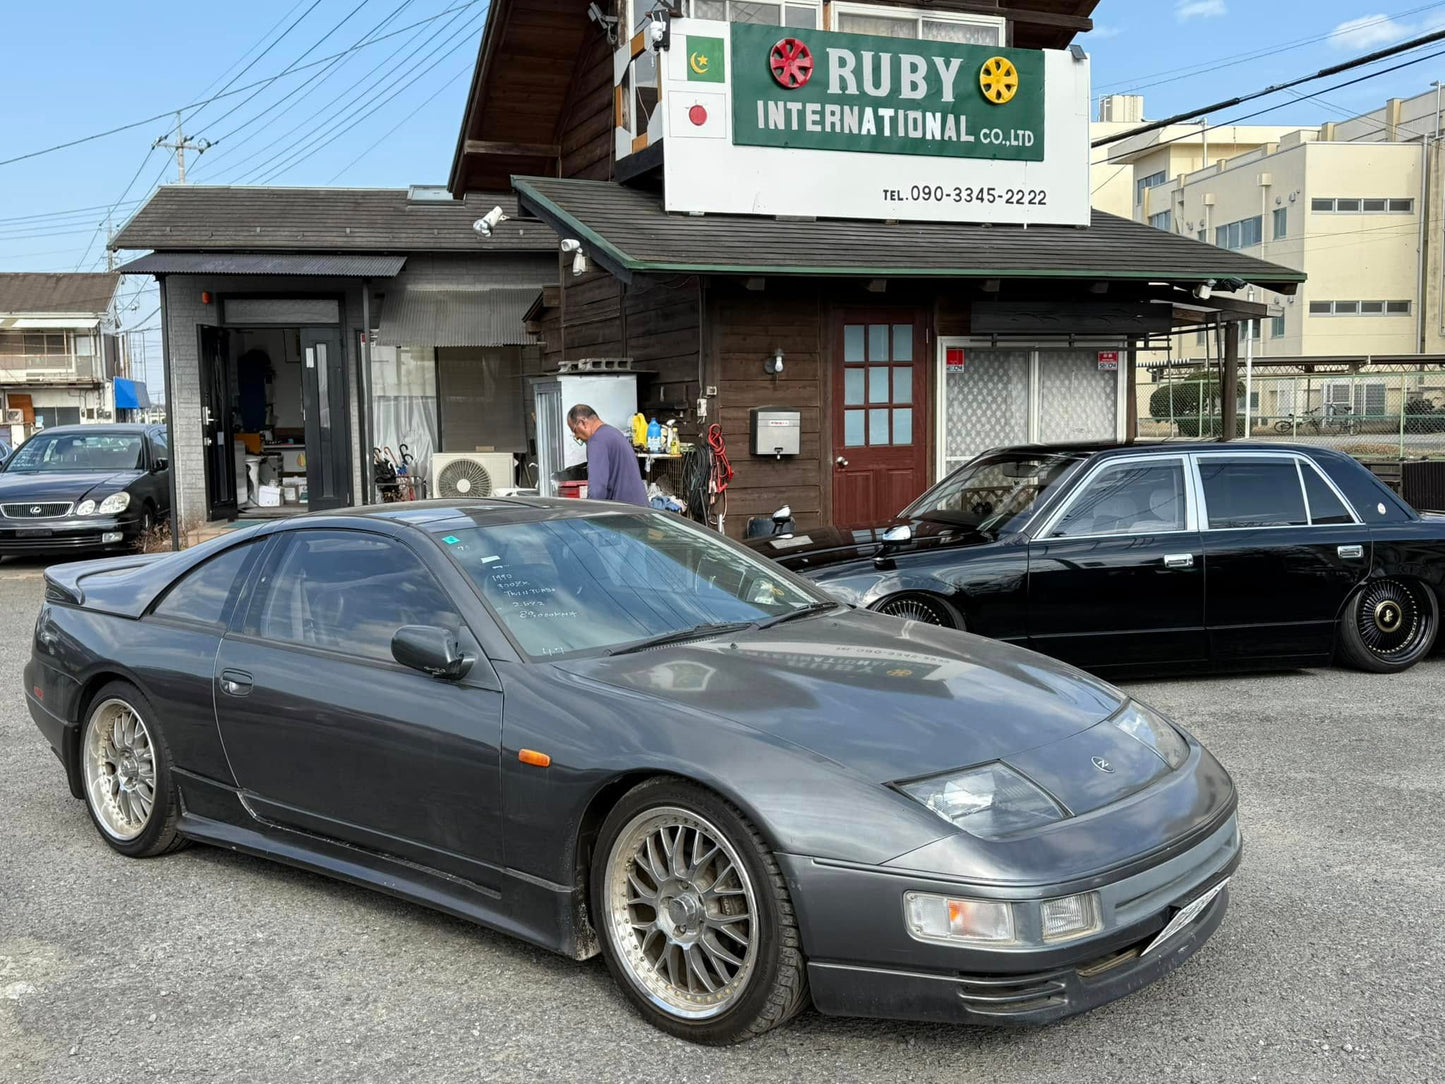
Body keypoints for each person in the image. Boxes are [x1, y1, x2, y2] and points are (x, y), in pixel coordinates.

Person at [566, 404, 649, 506]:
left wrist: (588, 511)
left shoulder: (596, 441)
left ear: (583, 423)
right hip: (640, 508)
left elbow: (597, 490)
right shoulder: (613, 433)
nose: (577, 437)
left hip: (625, 511)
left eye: (574, 431)